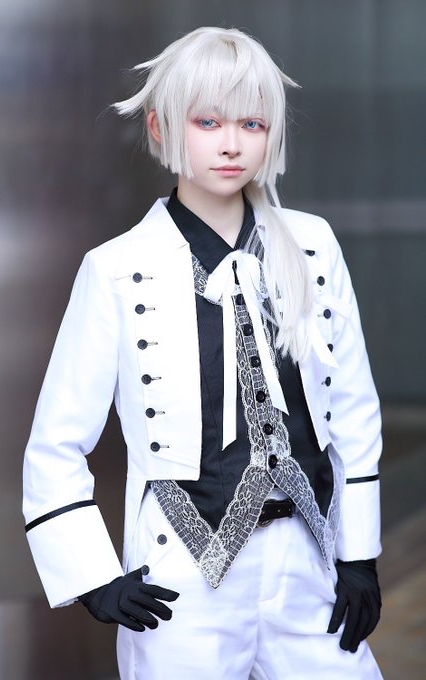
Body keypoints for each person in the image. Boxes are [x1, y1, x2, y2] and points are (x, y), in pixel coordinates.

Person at [23, 26, 383, 679]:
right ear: (160, 128)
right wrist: (92, 575)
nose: (230, 143)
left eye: (252, 123)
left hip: (310, 562)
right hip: (181, 576)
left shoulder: (312, 245)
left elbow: (353, 408)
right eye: (208, 121)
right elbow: (56, 441)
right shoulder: (116, 268)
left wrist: (358, 553)